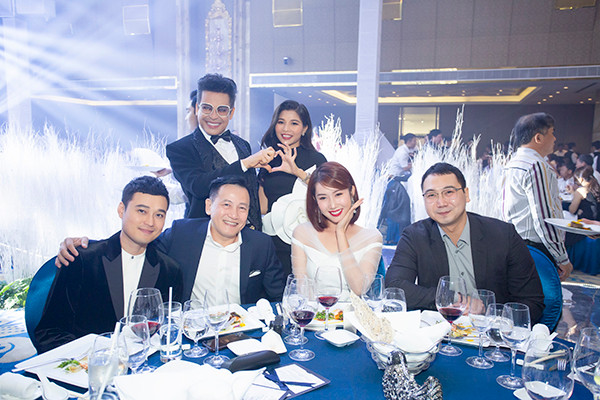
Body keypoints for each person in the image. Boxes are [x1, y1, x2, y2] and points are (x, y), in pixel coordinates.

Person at [57, 176, 285, 306]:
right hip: (193, 337)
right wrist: (89, 245)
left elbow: (279, 297)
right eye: (226, 205)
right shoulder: (181, 234)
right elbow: (138, 239)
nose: (234, 215)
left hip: (242, 336)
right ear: (209, 206)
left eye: (242, 208)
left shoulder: (261, 245)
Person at [36, 176, 183, 353]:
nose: (150, 222)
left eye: (159, 215)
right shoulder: (82, 259)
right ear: (121, 210)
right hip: (87, 363)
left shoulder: (170, 270)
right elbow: (49, 332)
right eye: (142, 211)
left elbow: (167, 330)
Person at [385, 163, 544, 323]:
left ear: (466, 194)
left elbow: (531, 302)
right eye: (431, 195)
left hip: (491, 330)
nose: (441, 202)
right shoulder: (414, 236)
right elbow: (394, 286)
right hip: (442, 330)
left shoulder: (503, 235)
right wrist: (452, 299)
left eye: (449, 192)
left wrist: (490, 315)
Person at [166, 73, 276, 229]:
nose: (213, 116)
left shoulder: (243, 145)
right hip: (204, 235)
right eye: (207, 108)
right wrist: (245, 164)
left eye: (222, 110)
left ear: (231, 113)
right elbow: (198, 186)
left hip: (249, 235)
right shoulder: (180, 149)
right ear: (197, 108)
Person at [291, 162, 383, 299]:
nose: (332, 205)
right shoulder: (302, 233)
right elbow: (302, 289)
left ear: (352, 192)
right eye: (323, 198)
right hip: (314, 310)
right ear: (315, 200)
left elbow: (359, 288)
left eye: (338, 194)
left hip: (353, 312)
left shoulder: (372, 237)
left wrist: (340, 233)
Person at [258, 100, 327, 276]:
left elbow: (327, 194)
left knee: (301, 288)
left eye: (294, 123)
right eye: (281, 122)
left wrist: (297, 172)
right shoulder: (268, 158)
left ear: (305, 129)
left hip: (305, 241)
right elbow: (263, 207)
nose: (286, 129)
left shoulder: (317, 159)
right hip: (272, 241)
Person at [502, 112, 573, 281]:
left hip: (516, 243)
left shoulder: (512, 163)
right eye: (552, 133)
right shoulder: (535, 165)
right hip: (535, 248)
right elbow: (544, 217)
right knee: (544, 294)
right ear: (538, 138)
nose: (555, 139)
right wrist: (562, 258)